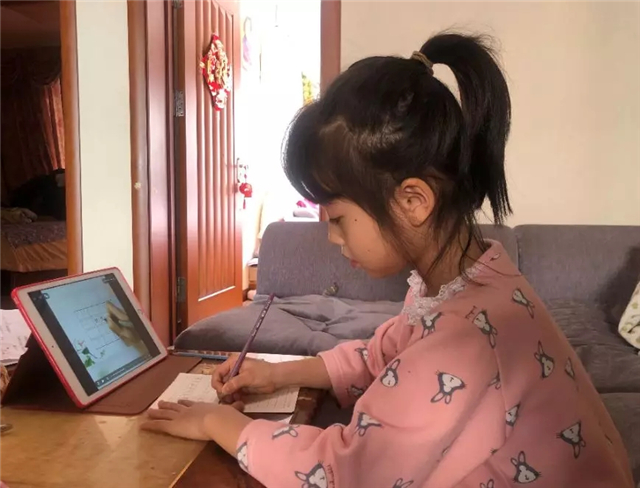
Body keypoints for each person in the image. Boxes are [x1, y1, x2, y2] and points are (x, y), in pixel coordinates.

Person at [141, 32, 634, 488]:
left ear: (412, 201)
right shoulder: (469, 280)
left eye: (338, 218)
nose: (332, 237)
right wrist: (277, 374)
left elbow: (344, 473)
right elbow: (383, 355)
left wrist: (219, 422)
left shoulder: (463, 341)